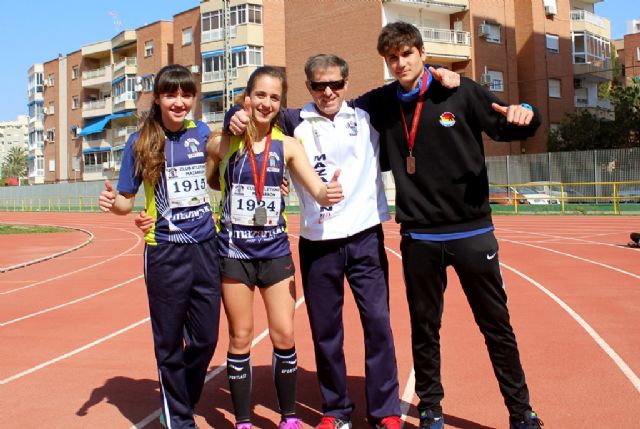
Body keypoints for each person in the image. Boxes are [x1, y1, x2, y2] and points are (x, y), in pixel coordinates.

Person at [226, 57, 460, 429]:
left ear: (346, 83)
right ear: (308, 87)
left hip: (366, 236)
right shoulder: (292, 120)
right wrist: (231, 116)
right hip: (318, 243)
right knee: (326, 331)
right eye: (319, 86)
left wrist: (439, 71)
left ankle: (384, 411)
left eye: (335, 84)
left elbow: (409, 79)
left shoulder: (367, 109)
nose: (328, 92)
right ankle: (336, 411)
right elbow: (255, 108)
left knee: (378, 324)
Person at [351, 21, 544, 429]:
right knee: (424, 329)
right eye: (392, 57)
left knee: (497, 327)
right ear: (386, 62)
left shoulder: (460, 89)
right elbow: (331, 113)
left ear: (422, 54)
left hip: (473, 233)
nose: (400, 62)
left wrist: (528, 112)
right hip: (419, 236)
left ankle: (520, 411)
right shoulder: (381, 103)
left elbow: (507, 122)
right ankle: (431, 407)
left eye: (407, 54)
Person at [98, 64, 221, 429]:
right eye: (171, 94)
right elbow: (126, 201)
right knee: (168, 342)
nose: (180, 101)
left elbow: (219, 179)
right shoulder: (140, 143)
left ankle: (182, 394)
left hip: (205, 246)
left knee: (205, 338)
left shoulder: (203, 133)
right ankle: (180, 421)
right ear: (158, 98)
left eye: (186, 94)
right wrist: (115, 206)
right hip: (164, 249)